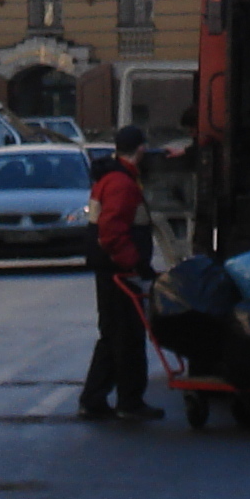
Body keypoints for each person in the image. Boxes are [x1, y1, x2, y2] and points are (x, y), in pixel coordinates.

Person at [79, 125, 162, 421]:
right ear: (140, 149)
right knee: (127, 335)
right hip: (119, 270)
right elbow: (112, 232)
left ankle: (95, 398)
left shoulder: (109, 178)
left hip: (109, 268)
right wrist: (135, 264)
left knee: (112, 334)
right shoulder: (123, 183)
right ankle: (129, 400)